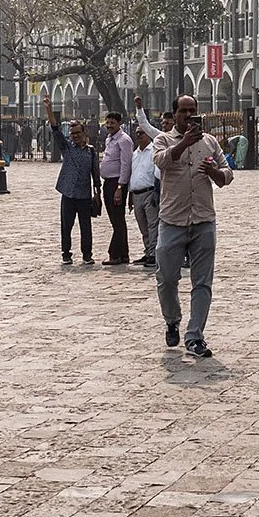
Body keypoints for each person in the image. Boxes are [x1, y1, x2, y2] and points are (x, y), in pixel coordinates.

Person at [135, 97, 231, 358]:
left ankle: (195, 336)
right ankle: (172, 319)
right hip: (172, 221)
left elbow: (227, 175)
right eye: (183, 111)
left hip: (203, 220)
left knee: (202, 282)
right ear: (174, 114)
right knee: (166, 278)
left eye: (192, 111)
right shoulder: (163, 140)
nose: (188, 116)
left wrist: (214, 173)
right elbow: (162, 162)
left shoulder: (209, 142)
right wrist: (184, 142)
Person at [45, 97, 101, 266]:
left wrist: (97, 192)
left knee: (86, 227)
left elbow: (95, 174)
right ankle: (66, 254)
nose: (75, 136)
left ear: (85, 133)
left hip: (84, 194)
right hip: (68, 192)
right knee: (66, 226)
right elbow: (55, 130)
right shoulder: (67, 147)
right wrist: (48, 110)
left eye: (78, 133)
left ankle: (87, 255)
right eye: (73, 134)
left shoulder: (91, 152)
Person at [100, 110, 134, 265]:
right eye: (108, 123)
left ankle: (114, 253)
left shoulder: (124, 140)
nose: (109, 125)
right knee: (116, 220)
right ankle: (123, 254)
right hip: (108, 182)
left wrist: (120, 186)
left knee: (117, 220)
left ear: (119, 124)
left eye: (112, 123)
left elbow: (126, 164)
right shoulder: (109, 140)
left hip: (117, 183)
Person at [128, 120, 160, 267]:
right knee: (143, 226)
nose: (139, 136)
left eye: (142, 133)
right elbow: (132, 175)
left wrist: (156, 192)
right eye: (137, 133)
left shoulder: (154, 152)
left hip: (149, 192)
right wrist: (130, 195)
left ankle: (154, 253)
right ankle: (148, 250)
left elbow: (157, 174)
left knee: (153, 225)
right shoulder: (135, 154)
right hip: (136, 194)